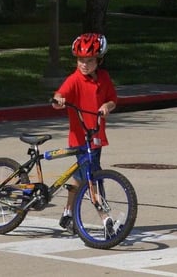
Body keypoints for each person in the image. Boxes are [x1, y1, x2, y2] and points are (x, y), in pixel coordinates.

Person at [51, 33, 118, 235]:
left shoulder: (104, 78)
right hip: (80, 139)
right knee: (93, 179)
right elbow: (59, 95)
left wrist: (107, 105)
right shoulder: (74, 80)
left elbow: (113, 99)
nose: (84, 64)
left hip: (96, 136)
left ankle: (67, 213)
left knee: (80, 178)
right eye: (81, 60)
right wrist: (58, 100)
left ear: (99, 60)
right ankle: (106, 219)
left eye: (89, 60)